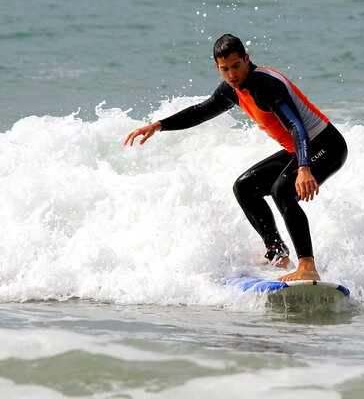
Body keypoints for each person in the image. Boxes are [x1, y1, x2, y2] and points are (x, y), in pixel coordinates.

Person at [124, 34, 348, 282]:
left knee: (282, 190)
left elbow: (297, 126)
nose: (232, 74)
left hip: (325, 144)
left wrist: (305, 168)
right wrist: (158, 125)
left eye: (236, 66)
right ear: (217, 67)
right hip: (298, 149)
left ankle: (307, 266)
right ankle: (277, 253)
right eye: (225, 69)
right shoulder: (232, 90)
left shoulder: (265, 86)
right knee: (245, 187)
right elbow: (201, 112)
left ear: (246, 59)